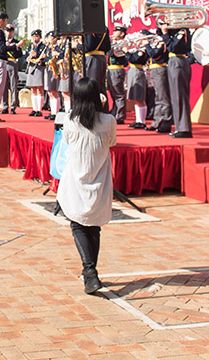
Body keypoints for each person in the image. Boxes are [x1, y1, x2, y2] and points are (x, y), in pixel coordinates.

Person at [56, 77, 117, 294]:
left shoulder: (71, 120)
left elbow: (66, 143)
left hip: (76, 177)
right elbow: (112, 142)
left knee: (77, 224)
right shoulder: (108, 120)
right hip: (99, 176)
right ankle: (90, 271)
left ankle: (90, 272)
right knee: (93, 226)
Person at [166, 26, 195, 137]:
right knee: (175, 97)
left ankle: (184, 128)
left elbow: (173, 47)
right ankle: (179, 127)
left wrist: (165, 34)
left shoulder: (182, 31)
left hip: (178, 61)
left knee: (180, 96)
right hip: (174, 61)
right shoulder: (175, 31)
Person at [145, 25, 173, 133]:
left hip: (161, 69)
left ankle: (166, 121)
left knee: (163, 97)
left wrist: (147, 45)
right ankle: (157, 121)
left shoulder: (163, 42)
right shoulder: (158, 42)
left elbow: (154, 54)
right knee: (158, 97)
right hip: (154, 70)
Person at [105, 25, 129, 124]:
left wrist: (112, 46)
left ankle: (120, 115)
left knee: (118, 93)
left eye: (116, 31)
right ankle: (114, 111)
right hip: (110, 69)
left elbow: (115, 54)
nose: (114, 33)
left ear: (122, 34)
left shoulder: (124, 43)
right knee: (112, 91)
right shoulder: (113, 43)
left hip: (117, 69)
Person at [80, 30, 111, 101]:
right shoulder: (104, 28)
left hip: (92, 58)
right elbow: (108, 47)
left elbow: (89, 46)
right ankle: (103, 109)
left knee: (91, 85)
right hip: (102, 57)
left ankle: (93, 109)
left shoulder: (90, 27)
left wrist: (78, 45)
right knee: (101, 86)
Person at [2, 25, 24, 115]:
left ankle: (13, 106)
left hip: (12, 63)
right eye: (7, 31)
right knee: (4, 86)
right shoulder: (2, 42)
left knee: (13, 85)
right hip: (4, 63)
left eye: (10, 31)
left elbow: (20, 54)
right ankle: (5, 106)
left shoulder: (16, 42)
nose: (9, 33)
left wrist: (13, 48)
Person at [25, 30, 47, 117]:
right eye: (33, 37)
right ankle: (34, 108)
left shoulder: (43, 46)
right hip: (31, 66)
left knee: (39, 88)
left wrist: (36, 55)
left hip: (38, 67)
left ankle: (39, 109)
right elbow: (25, 57)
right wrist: (28, 57)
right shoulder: (30, 46)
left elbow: (44, 58)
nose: (35, 38)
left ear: (40, 37)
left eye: (36, 36)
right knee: (33, 89)